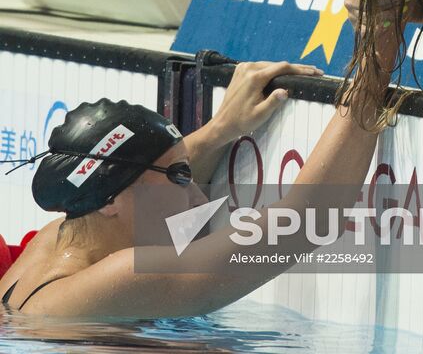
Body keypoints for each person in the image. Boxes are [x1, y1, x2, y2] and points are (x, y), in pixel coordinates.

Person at [0, 44, 401, 318]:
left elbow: (131, 172)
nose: (197, 197)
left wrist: (221, 128)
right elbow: (305, 220)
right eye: (180, 176)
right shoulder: (122, 277)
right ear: (110, 200)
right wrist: (377, 55)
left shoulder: (53, 238)